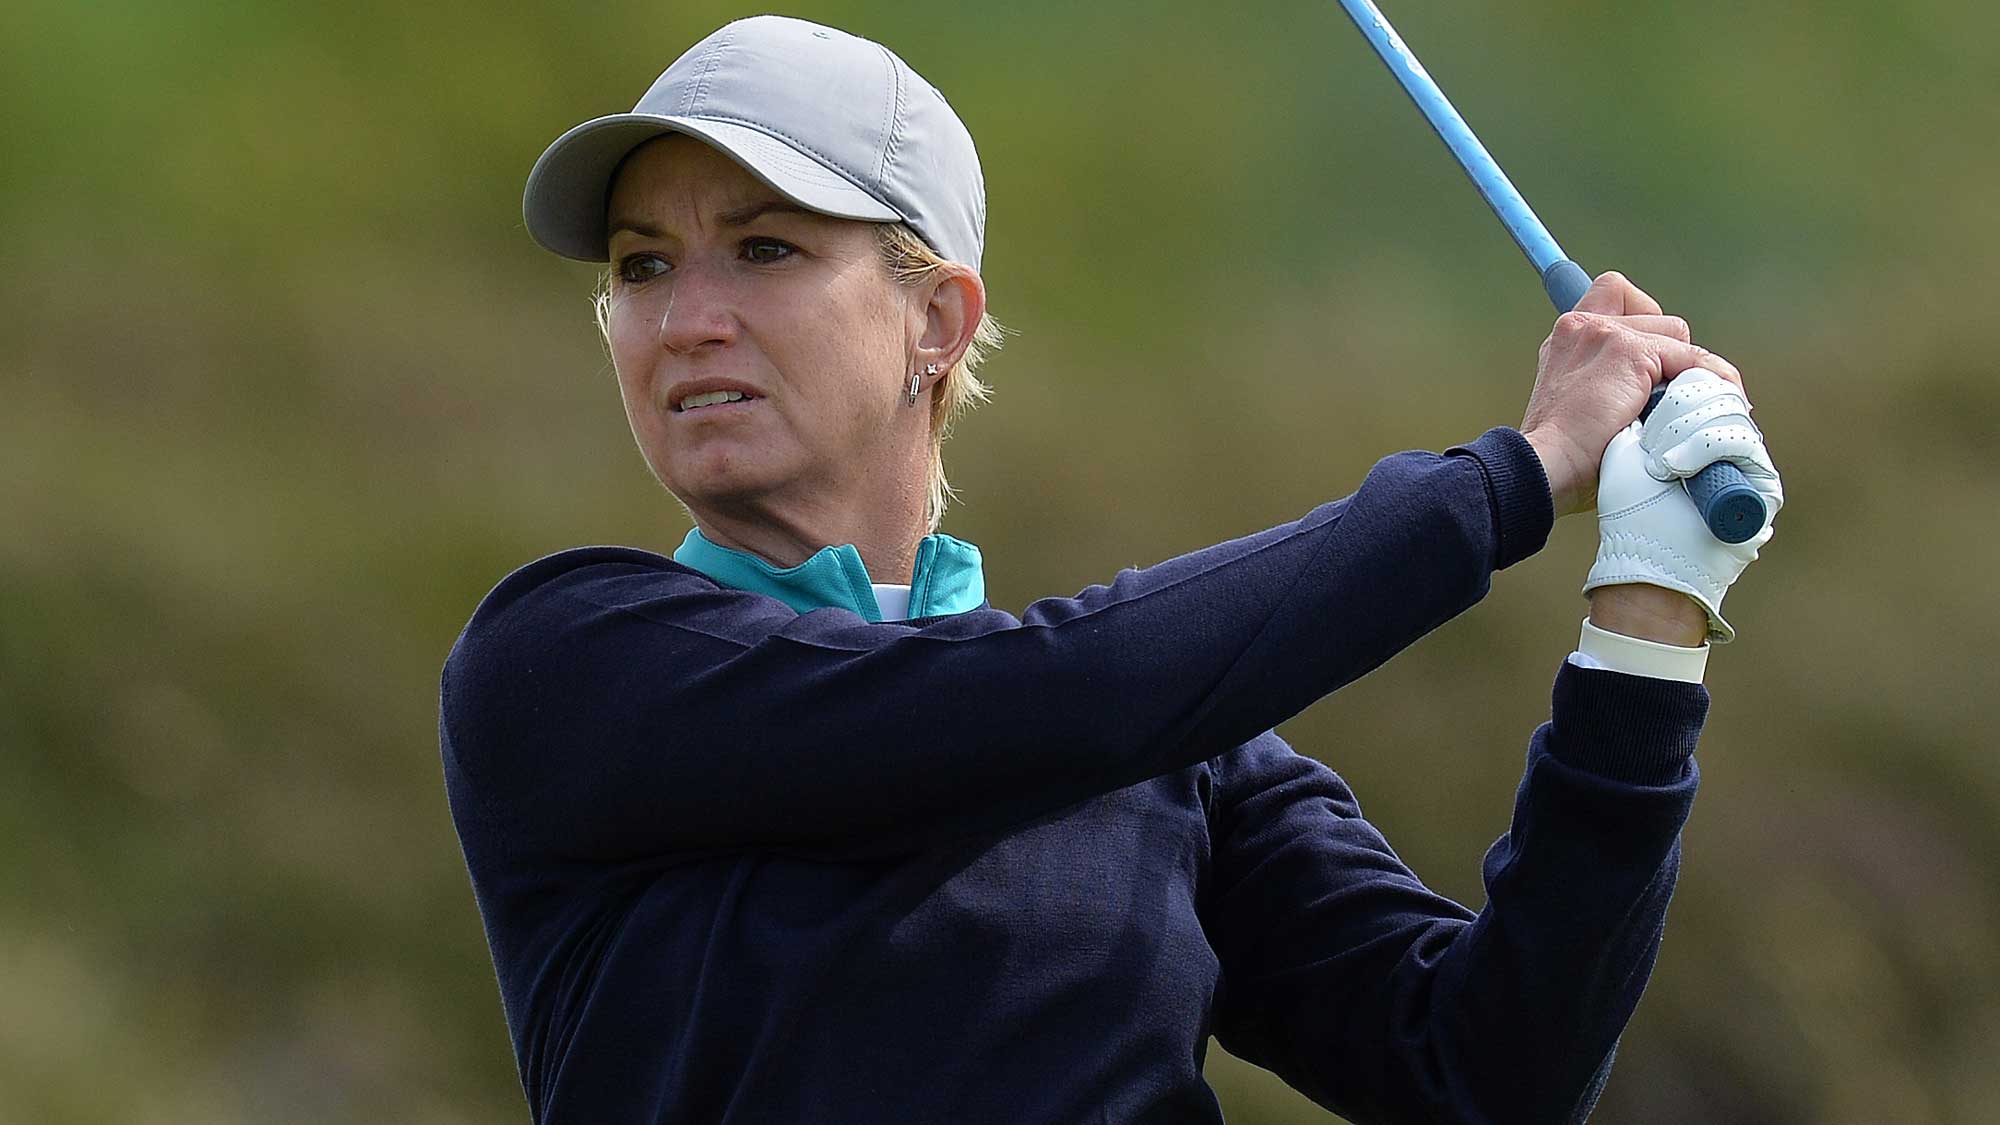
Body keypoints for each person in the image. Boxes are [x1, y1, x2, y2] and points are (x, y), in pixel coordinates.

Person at [439, 14, 1784, 1124]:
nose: (687, 318)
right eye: (641, 266)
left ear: (935, 317)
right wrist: (1514, 474)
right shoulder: (568, 663)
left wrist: (1647, 624)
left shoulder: (1172, 761)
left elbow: (1485, 1067)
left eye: (765, 247)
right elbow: (1046, 699)